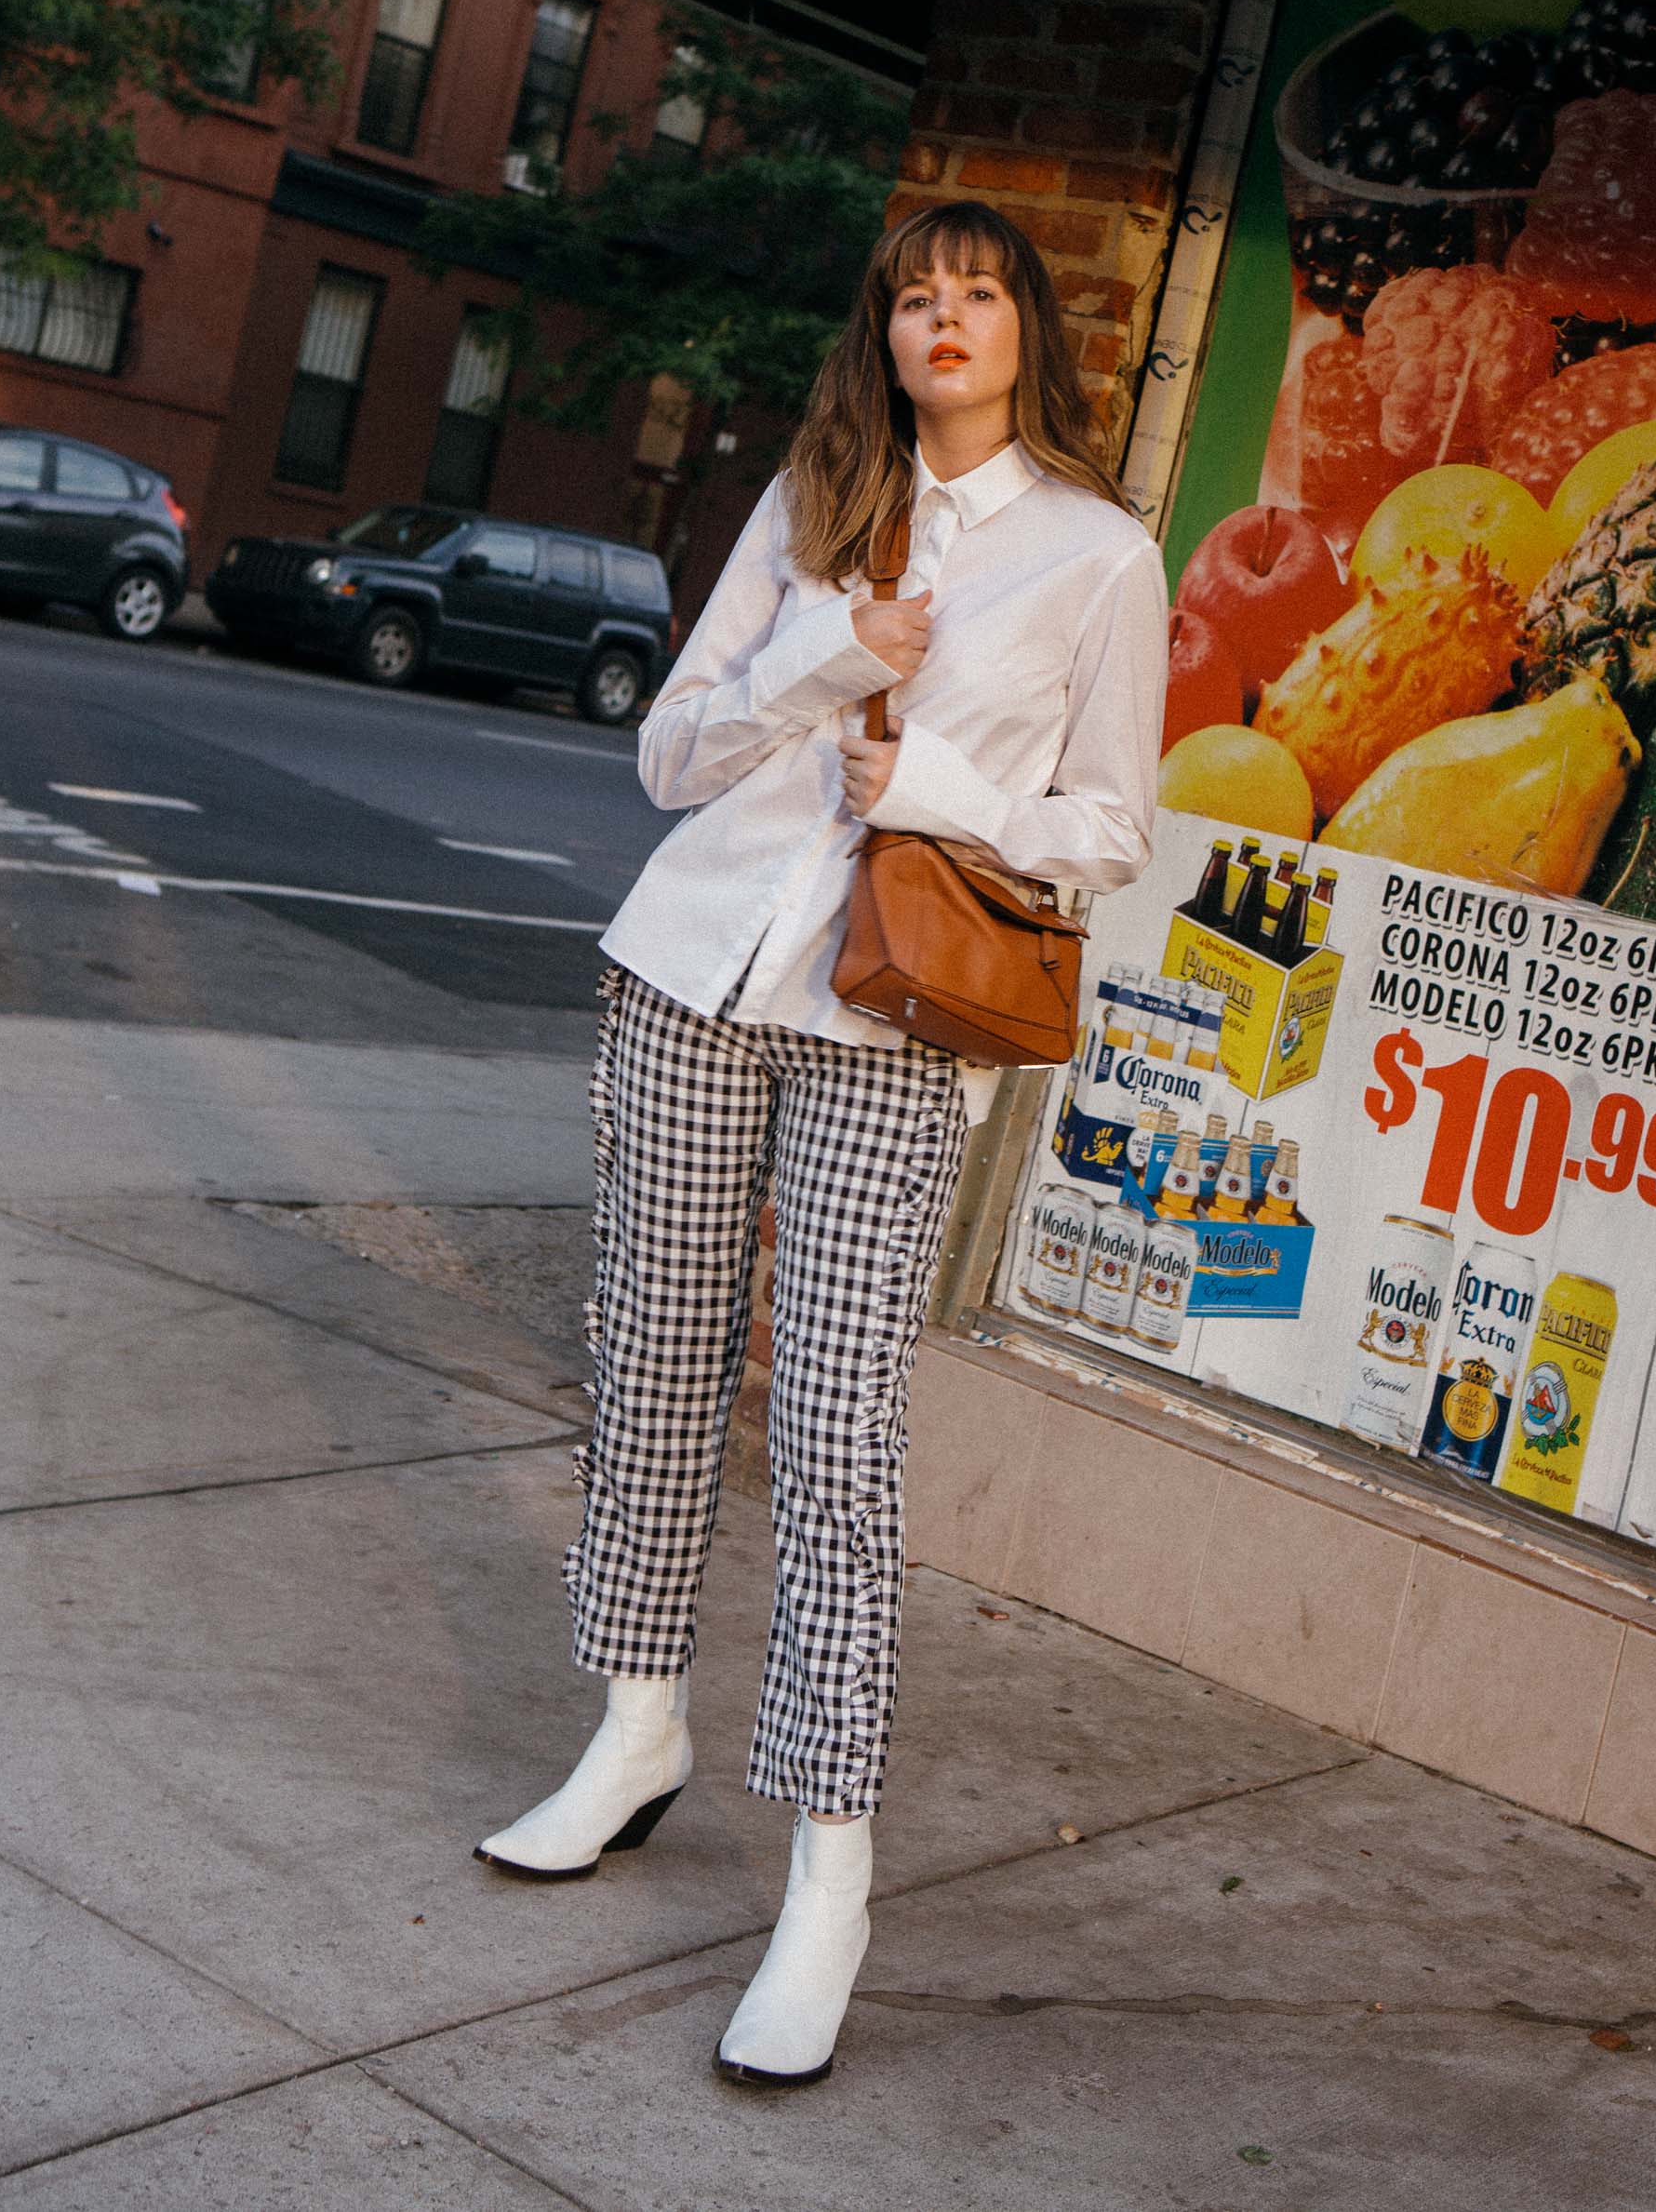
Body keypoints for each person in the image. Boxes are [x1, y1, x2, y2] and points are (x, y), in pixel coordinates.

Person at [474, 201, 1167, 2087]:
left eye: (979, 293)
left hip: (887, 1029)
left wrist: (927, 779)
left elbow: (1109, 829)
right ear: (882, 332)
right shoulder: (806, 499)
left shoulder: (1099, 557)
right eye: (913, 296)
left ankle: (827, 1876)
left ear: (1030, 329)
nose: (945, 319)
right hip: (690, 975)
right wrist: (823, 663)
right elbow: (669, 755)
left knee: (841, 1435)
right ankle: (632, 1730)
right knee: (646, 1372)